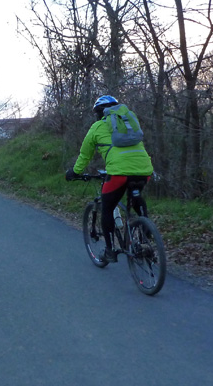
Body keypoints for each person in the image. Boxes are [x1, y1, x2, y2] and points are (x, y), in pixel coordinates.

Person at [66, 95, 154, 263]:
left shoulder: (97, 127)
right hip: (144, 170)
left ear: (99, 113)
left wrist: (75, 172)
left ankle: (109, 251)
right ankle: (146, 237)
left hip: (118, 174)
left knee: (107, 209)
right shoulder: (129, 123)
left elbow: (85, 155)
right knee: (136, 198)